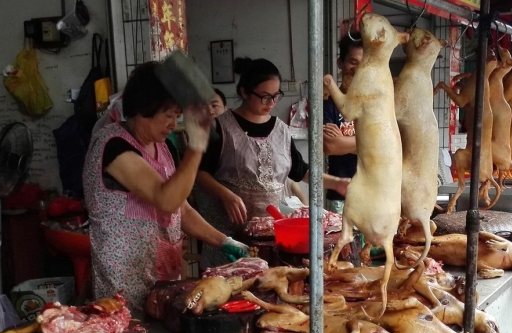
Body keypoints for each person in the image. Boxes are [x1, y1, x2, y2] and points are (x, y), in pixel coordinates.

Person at [82, 62, 249, 313]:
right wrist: (196, 147)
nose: (173, 124)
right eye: (168, 115)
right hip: (124, 281)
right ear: (143, 108)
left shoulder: (163, 147)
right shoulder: (113, 146)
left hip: (161, 275)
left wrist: (224, 241)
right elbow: (166, 200)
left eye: (177, 116)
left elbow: (181, 209)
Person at [195, 57, 350, 268]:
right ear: (244, 92)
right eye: (265, 97)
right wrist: (225, 195)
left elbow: (300, 171)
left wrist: (337, 182)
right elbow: (200, 173)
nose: (272, 103)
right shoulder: (220, 128)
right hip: (228, 236)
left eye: (276, 96)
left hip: (271, 237)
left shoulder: (282, 131)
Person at [323, 32, 363, 214]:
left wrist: (344, 142)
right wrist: (369, 142)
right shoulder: (327, 102)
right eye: (353, 62)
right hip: (340, 197)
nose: (357, 69)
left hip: (375, 195)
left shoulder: (377, 105)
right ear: (341, 63)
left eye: (363, 64)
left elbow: (388, 145)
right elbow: (330, 145)